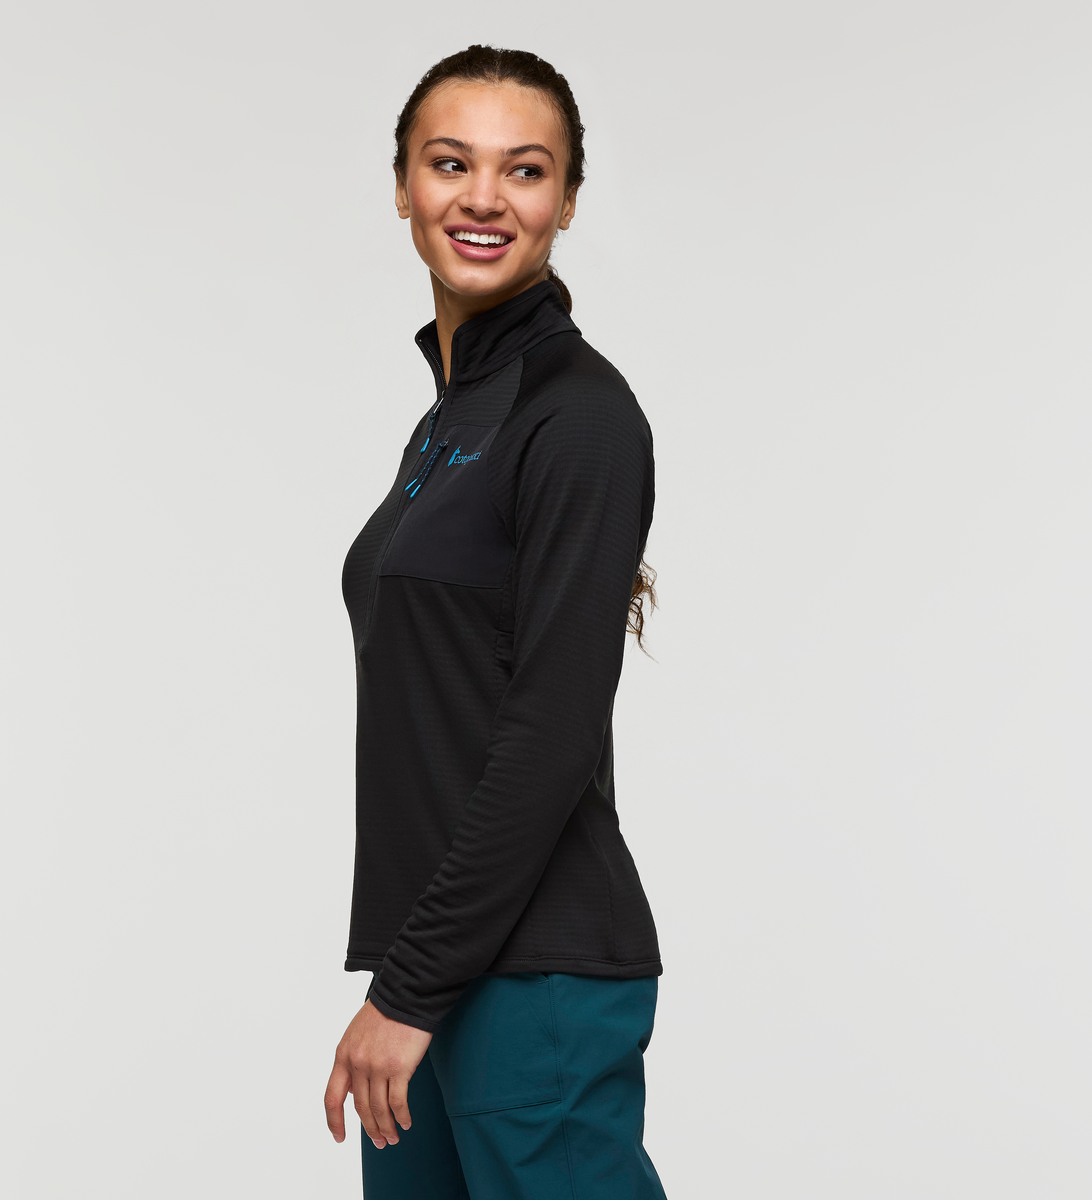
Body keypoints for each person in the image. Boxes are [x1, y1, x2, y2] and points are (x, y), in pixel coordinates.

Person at [324, 45, 668, 1200]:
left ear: (567, 201)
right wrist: (410, 981)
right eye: (449, 163)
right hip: (434, 969)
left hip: (531, 984)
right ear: (402, 186)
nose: (483, 197)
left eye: (525, 169)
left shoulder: (578, 415)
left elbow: (551, 731)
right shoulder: (455, 418)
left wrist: (410, 989)